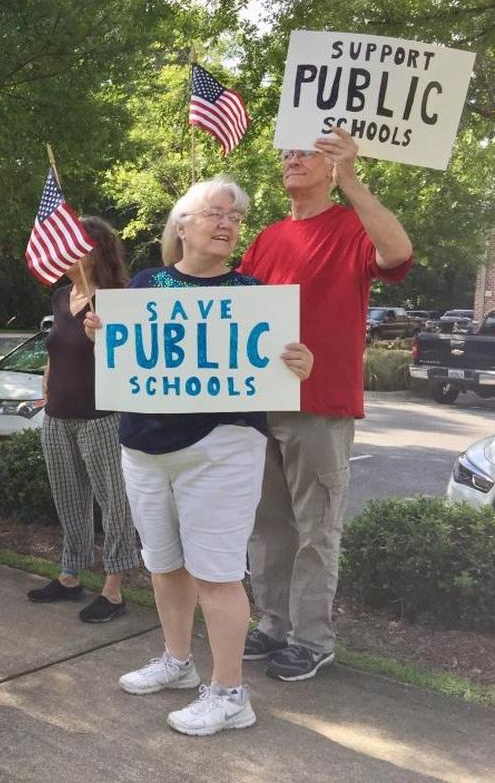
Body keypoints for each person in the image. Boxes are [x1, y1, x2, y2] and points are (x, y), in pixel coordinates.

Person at [88, 177, 313, 736]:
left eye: (235, 218)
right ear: (181, 225)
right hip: (144, 445)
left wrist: (297, 364)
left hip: (222, 446)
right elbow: (126, 358)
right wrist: (102, 336)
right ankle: (178, 662)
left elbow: (276, 369)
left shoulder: (253, 295)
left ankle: (231, 693)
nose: (227, 224)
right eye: (214, 213)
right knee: (164, 564)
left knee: (215, 574)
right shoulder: (143, 285)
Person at [241, 126, 413, 682]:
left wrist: (354, 183)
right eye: (287, 151)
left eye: (305, 151)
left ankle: (312, 640)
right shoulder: (266, 238)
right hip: (260, 404)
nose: (292, 158)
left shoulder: (350, 226)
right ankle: (271, 625)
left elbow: (398, 252)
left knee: (317, 527)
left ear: (329, 165)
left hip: (320, 403)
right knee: (267, 525)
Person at [26, 217, 139, 622]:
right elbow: (58, 349)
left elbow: (131, 363)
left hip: (102, 417)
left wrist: (102, 339)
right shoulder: (61, 296)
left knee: (114, 503)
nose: (64, 251)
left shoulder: (118, 298)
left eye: (75, 243)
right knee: (69, 499)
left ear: (95, 250)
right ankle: (70, 575)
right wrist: (47, 377)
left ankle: (113, 589)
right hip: (57, 415)